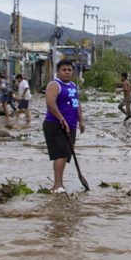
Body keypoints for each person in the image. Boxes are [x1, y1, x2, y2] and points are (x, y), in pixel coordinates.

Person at [43, 60, 86, 194]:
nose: (67, 72)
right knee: (60, 154)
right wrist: (61, 119)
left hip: (71, 126)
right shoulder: (54, 85)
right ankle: (57, 186)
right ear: (58, 71)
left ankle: (60, 183)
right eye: (64, 70)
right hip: (55, 124)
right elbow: (50, 103)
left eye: (69, 70)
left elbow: (76, 103)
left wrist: (81, 121)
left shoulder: (73, 85)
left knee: (66, 155)